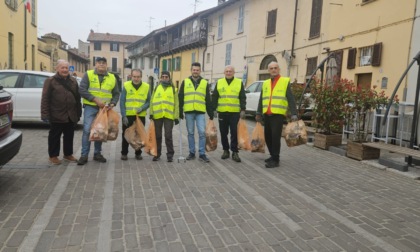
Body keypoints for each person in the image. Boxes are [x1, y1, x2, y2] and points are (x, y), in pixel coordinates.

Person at [77, 57, 120, 165]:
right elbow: (82, 89)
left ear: (106, 65)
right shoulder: (89, 74)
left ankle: (97, 154)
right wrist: (95, 100)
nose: (101, 65)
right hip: (91, 106)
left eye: (103, 63)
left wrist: (113, 103)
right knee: (87, 129)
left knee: (100, 131)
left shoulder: (112, 77)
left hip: (104, 108)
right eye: (99, 63)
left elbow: (116, 93)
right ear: (96, 64)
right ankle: (84, 155)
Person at [255, 61, 298, 168]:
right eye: (271, 68)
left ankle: (276, 159)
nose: (273, 70)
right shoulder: (265, 83)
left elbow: (290, 98)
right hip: (267, 115)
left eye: (275, 68)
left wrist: (294, 113)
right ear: (269, 70)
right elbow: (261, 99)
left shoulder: (284, 81)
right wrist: (258, 112)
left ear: (279, 69)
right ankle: (272, 155)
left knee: (275, 137)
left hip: (277, 115)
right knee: (268, 137)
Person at [41, 59, 81, 165]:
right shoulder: (50, 81)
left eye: (66, 68)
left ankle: (68, 154)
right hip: (56, 114)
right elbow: (45, 98)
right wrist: (44, 114)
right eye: (62, 67)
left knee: (69, 136)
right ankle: (53, 156)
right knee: (55, 136)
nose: (64, 70)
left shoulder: (73, 81)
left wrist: (78, 113)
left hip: (70, 114)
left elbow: (77, 98)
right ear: (57, 68)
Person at [178, 62, 213, 163]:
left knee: (202, 133)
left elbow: (208, 99)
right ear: (191, 70)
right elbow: (181, 97)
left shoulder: (205, 83)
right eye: (194, 70)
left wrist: (210, 113)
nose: (195, 71)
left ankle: (202, 153)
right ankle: (192, 152)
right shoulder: (185, 82)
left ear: (200, 71)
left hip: (200, 112)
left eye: (197, 70)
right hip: (189, 111)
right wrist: (180, 111)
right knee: (190, 133)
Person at [211, 65, 246, 162]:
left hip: (234, 113)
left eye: (230, 71)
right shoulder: (219, 82)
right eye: (226, 71)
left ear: (234, 72)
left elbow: (242, 97)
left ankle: (235, 152)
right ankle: (225, 150)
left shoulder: (239, 82)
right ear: (224, 72)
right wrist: (214, 109)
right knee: (223, 132)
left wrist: (243, 109)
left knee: (234, 132)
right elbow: (215, 97)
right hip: (222, 112)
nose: (228, 73)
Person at [120, 69, 150, 160]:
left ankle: (138, 153)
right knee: (126, 134)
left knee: (139, 135)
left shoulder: (146, 87)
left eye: (138, 77)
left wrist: (142, 108)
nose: (136, 79)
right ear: (131, 76)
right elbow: (122, 101)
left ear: (141, 77)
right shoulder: (126, 85)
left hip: (140, 115)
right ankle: (124, 153)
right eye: (134, 77)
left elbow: (149, 101)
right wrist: (123, 115)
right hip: (128, 115)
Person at [149, 71, 179, 162]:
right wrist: (151, 113)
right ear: (160, 78)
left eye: (166, 77)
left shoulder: (174, 89)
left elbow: (176, 104)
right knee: (158, 136)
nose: (165, 78)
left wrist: (176, 116)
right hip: (157, 115)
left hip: (169, 116)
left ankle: (170, 155)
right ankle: (157, 154)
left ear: (169, 78)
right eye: (163, 76)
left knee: (168, 136)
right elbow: (152, 101)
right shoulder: (156, 88)